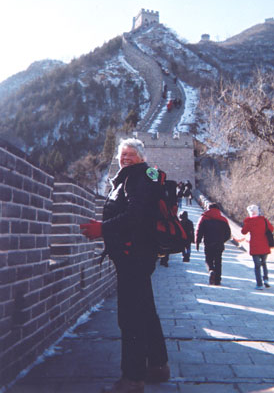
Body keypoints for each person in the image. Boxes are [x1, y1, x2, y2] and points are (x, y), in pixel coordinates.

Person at [80, 138, 169, 393]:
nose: (125, 158)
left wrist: (101, 229)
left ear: (141, 157)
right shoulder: (146, 175)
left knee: (130, 318)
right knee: (146, 311)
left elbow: (136, 216)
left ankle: (132, 379)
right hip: (139, 255)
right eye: (122, 154)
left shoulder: (136, 177)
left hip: (134, 255)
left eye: (130, 153)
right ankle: (158, 366)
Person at [196, 203, 231, 285]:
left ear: (208, 208)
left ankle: (211, 270)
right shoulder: (223, 219)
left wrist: (197, 242)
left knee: (209, 259)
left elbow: (199, 231)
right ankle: (218, 280)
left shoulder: (204, 218)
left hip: (208, 243)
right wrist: (222, 240)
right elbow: (228, 234)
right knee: (218, 261)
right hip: (219, 244)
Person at [241, 204, 273, 290]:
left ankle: (259, 284)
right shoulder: (264, 220)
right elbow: (271, 229)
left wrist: (245, 224)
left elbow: (243, 232)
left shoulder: (249, 221)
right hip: (264, 245)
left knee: (257, 266)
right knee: (264, 263)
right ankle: (266, 279)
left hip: (255, 246)